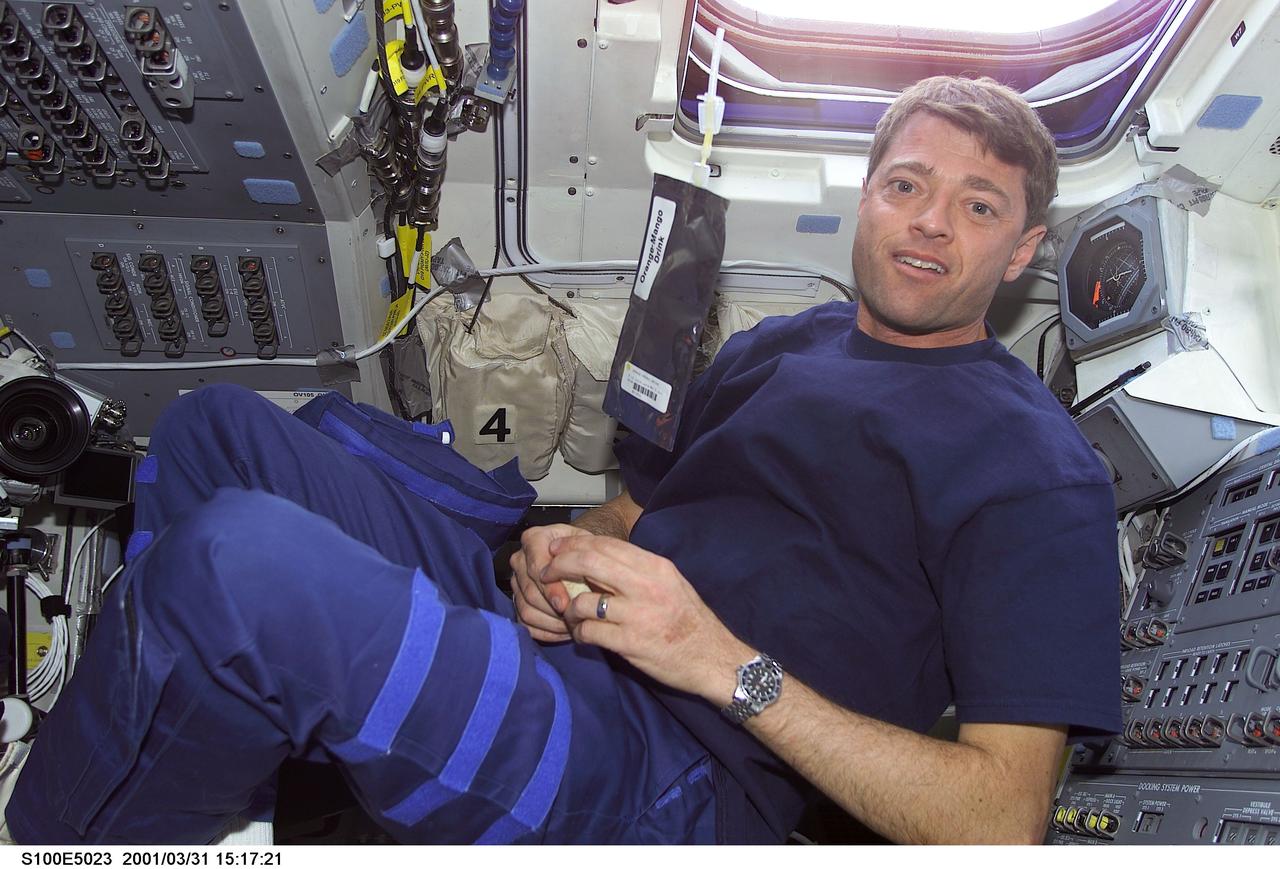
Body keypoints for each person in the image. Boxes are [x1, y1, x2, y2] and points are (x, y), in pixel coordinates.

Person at [5, 75, 1118, 845]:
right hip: (574, 646)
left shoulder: (1034, 468)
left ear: (1019, 249)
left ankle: (61, 837)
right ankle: (197, 764)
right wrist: (550, 554)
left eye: (976, 207)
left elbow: (996, 817)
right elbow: (638, 517)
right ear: (868, 196)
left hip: (676, 776)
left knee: (234, 567)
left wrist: (722, 663)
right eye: (907, 184)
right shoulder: (793, 341)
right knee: (215, 430)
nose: (929, 224)